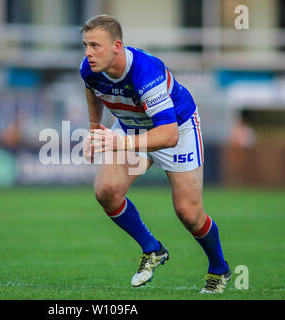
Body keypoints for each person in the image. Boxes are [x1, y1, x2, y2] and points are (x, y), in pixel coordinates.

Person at [79, 15, 231, 293]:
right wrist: (93, 129)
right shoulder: (89, 69)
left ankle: (219, 269)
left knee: (189, 214)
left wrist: (119, 142)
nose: (88, 53)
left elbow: (168, 135)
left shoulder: (145, 72)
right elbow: (92, 91)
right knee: (106, 190)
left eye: (95, 46)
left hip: (177, 129)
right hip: (131, 126)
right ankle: (153, 249)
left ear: (117, 45)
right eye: (86, 45)